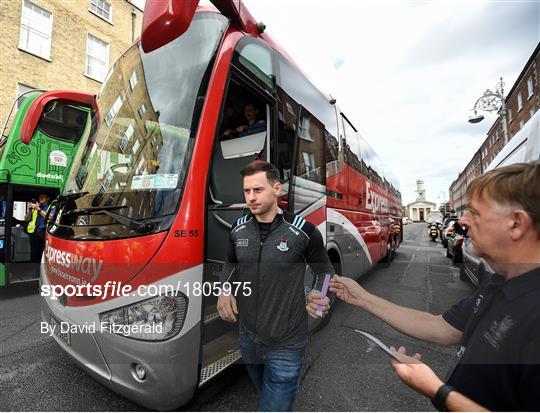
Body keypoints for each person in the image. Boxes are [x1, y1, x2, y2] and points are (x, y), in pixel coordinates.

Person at [329, 161, 540, 411]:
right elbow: (440, 327)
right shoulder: (498, 283)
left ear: (516, 224)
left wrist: (437, 390)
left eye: (475, 212)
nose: (463, 220)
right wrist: (363, 298)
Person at [217, 160, 333, 411]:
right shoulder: (238, 229)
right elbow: (229, 262)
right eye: (247, 191)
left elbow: (324, 271)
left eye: (258, 190)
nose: (251, 197)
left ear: (277, 188)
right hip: (248, 338)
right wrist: (224, 289)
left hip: (287, 343)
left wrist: (319, 293)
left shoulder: (304, 231)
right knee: (266, 396)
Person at [25, 193, 50, 261]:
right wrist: (30, 210)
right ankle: (34, 270)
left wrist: (38, 209)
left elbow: (50, 217)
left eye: (43, 196)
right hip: (34, 233)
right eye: (40, 197)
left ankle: (41, 270)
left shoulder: (50, 207)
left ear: (48, 198)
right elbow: (26, 219)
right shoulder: (35, 207)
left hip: (44, 232)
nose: (41, 198)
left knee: (43, 253)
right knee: (34, 253)